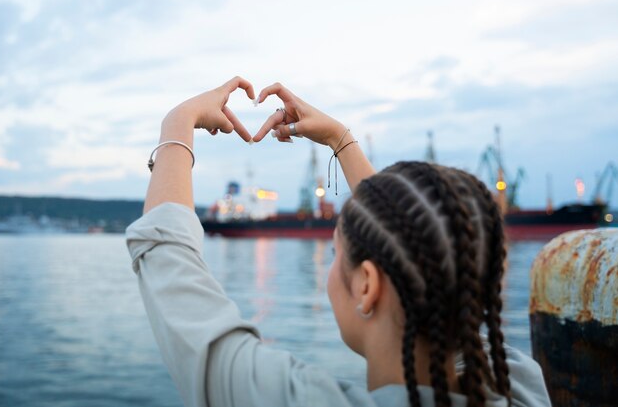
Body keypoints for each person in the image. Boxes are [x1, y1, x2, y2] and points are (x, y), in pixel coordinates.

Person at [126, 77, 551, 407]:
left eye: (335, 254)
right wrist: (340, 140)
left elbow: (168, 263)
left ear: (367, 285)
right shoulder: (521, 384)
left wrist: (177, 123)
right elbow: (426, 259)